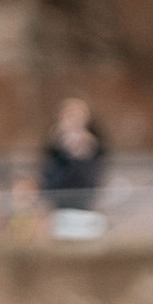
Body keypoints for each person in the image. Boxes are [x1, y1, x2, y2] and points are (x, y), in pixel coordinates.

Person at [39, 95, 108, 227]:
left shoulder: (93, 141)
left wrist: (84, 148)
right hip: (59, 200)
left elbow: (95, 168)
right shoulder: (54, 142)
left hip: (85, 199)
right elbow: (49, 172)